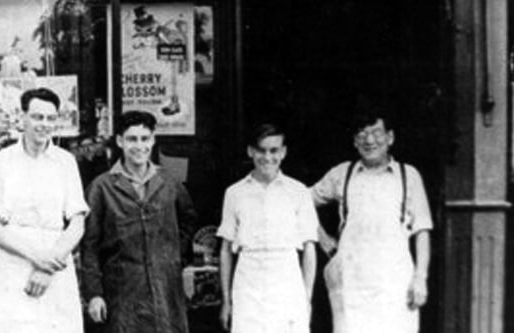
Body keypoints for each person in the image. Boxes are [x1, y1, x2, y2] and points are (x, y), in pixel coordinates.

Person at [311, 107, 432, 333]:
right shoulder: (342, 174)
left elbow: (422, 231)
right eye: (362, 134)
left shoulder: (408, 176)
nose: (369, 141)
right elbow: (300, 201)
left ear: (390, 138)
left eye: (376, 133)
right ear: (354, 142)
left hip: (395, 283)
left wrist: (420, 278)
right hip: (351, 282)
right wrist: (323, 239)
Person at [0, 87, 88, 333]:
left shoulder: (65, 162)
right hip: (13, 262)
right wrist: (36, 257)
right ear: (22, 118)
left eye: (51, 118)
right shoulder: (1, 161)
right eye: (38, 117)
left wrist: (48, 265)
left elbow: (77, 222)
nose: (44, 125)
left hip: (56, 265)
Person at [82, 110, 197, 333]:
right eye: (132, 139)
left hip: (165, 290)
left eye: (145, 139)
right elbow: (90, 245)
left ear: (153, 140)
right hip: (122, 292)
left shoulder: (169, 182)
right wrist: (94, 294)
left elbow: (188, 221)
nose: (139, 146)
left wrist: (173, 258)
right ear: (119, 141)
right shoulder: (102, 187)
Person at [217, 122, 318, 333]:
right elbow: (226, 250)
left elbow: (309, 249)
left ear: (283, 152)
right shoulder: (234, 193)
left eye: (274, 150)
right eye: (261, 150)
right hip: (248, 281)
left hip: (287, 280)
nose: (267, 157)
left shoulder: (298, 191)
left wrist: (306, 299)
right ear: (250, 151)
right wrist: (227, 301)